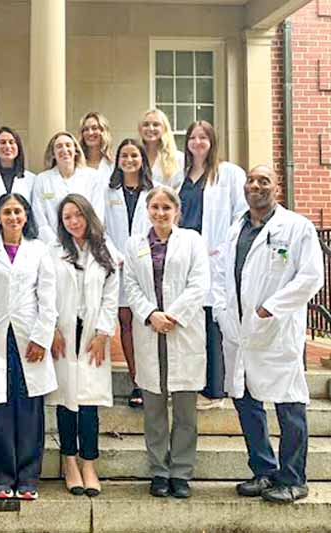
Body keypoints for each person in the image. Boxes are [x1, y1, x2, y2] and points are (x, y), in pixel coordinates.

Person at [212, 164, 324, 504]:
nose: (255, 186)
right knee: (246, 402)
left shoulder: (296, 227)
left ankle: (293, 478)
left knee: (289, 404)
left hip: (275, 330)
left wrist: (269, 309)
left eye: (264, 181)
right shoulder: (236, 229)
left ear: (276, 188)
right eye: (251, 180)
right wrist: (221, 311)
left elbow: (310, 277)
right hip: (238, 330)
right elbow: (220, 276)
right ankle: (263, 470)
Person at [123, 185, 209, 499]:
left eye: (166, 208)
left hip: (181, 331)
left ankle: (181, 473)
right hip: (149, 331)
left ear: (176, 211)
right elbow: (130, 285)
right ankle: (159, 471)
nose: (160, 213)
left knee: (185, 411)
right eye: (155, 207)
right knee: (154, 410)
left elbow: (200, 283)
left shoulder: (192, 241)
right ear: (148, 211)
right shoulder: (135, 245)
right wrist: (150, 315)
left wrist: (171, 315)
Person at [0, 194, 56, 499]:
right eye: (7, 212)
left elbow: (48, 299)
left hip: (29, 339)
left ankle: (29, 478)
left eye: (18, 211)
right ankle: (2, 477)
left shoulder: (39, 250)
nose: (13, 217)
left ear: (26, 215)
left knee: (29, 408)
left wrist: (41, 337)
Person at [48, 194, 119, 499]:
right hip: (63, 332)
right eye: (67, 217)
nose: (73, 221)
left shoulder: (106, 251)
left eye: (78, 215)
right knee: (66, 402)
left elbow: (111, 296)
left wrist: (104, 333)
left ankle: (88, 463)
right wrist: (50, 328)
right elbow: (44, 292)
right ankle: (68, 461)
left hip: (92, 335)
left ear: (88, 216)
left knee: (88, 404)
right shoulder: (52, 252)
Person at [180, 121, 248, 410]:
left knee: (213, 320)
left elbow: (241, 214)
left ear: (212, 141)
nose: (197, 142)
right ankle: (195, 384)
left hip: (214, 255)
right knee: (191, 320)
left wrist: (226, 248)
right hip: (185, 256)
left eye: (203, 137)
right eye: (193, 137)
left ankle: (215, 389)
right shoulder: (180, 177)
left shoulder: (229, 174)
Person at [104, 139, 154, 409]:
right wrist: (115, 253)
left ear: (142, 159)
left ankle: (150, 381)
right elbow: (100, 228)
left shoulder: (153, 191)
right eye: (124, 155)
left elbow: (160, 225)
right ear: (118, 160)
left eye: (134, 155)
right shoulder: (108, 191)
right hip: (118, 264)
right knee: (125, 322)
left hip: (147, 265)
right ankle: (137, 381)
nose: (129, 160)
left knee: (144, 322)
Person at [32, 131, 105, 243]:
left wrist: (83, 241)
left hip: (87, 242)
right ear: (53, 154)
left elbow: (97, 214)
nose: (64, 150)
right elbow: (40, 218)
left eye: (68, 145)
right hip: (54, 245)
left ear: (75, 150)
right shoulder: (42, 179)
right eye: (59, 146)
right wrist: (58, 245)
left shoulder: (92, 177)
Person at [138, 109, 184, 190]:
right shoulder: (134, 157)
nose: (151, 128)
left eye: (156, 124)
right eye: (146, 124)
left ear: (164, 129)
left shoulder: (178, 158)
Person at [0, 127, 35, 201]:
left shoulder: (32, 179)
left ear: (18, 147)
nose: (7, 146)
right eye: (3, 142)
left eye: (11, 142)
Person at [78, 112, 114, 182]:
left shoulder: (113, 164)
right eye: (86, 129)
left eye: (94, 128)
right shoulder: (76, 165)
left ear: (103, 131)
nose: (90, 133)